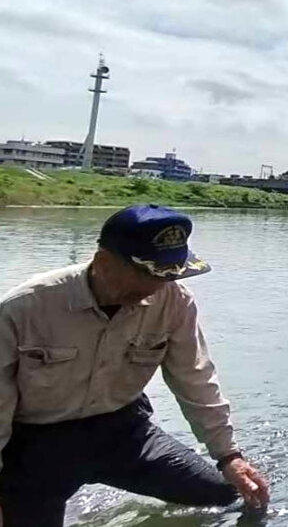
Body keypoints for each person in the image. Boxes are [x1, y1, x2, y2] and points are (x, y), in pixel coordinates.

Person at [0, 204, 270, 527]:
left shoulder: (174, 301)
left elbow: (195, 379)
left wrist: (229, 457)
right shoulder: (25, 309)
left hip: (123, 432)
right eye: (149, 274)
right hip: (37, 445)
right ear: (103, 262)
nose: (157, 287)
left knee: (227, 494)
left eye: (169, 275)